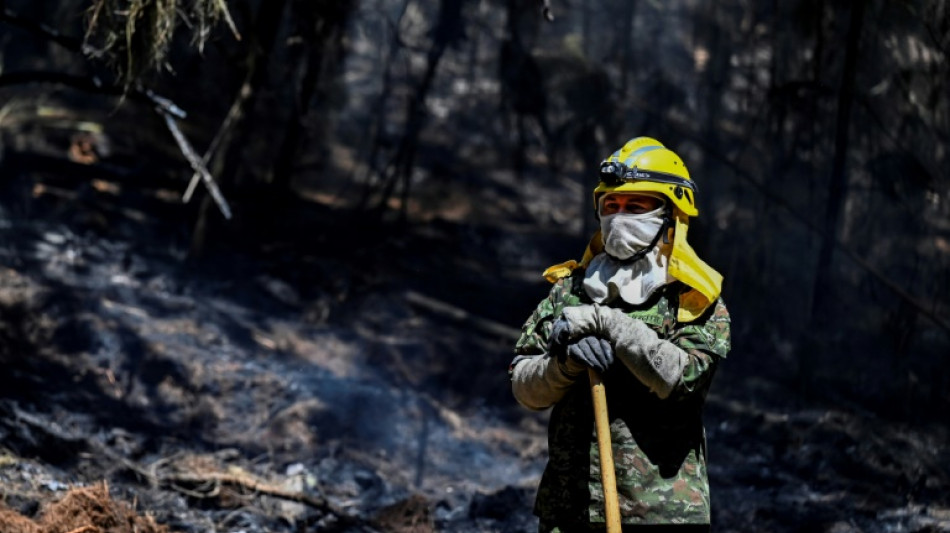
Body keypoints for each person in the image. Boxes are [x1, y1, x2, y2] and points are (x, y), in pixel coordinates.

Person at [509, 137, 731, 532]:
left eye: (635, 206)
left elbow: (683, 381)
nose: (619, 216)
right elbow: (524, 388)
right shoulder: (569, 289)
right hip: (569, 510)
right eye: (610, 206)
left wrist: (610, 324)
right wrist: (565, 364)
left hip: (660, 515)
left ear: (670, 214)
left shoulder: (693, 297)